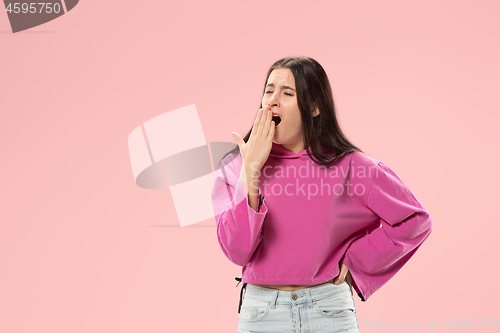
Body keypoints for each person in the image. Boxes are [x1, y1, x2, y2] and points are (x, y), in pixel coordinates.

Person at [211, 57, 433, 332]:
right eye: (269, 91)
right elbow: (237, 251)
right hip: (261, 314)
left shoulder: (354, 166)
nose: (273, 101)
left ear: (314, 107)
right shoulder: (235, 167)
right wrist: (251, 170)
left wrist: (357, 261)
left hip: (328, 310)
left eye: (287, 93)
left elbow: (414, 220)